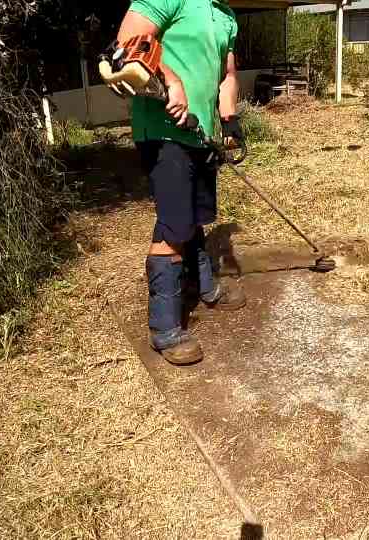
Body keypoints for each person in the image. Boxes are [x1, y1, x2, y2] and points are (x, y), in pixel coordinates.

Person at [114, 0, 246, 365]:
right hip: (163, 130)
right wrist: (171, 80)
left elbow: (227, 75)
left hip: (200, 132)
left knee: (197, 215)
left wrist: (230, 119)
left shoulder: (226, 16)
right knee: (174, 225)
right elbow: (126, 43)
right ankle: (164, 327)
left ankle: (201, 285)